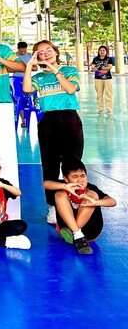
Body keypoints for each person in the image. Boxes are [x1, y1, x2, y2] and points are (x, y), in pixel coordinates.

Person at [22, 40, 82, 225]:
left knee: (73, 164)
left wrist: (55, 70)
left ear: (56, 52)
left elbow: (71, 89)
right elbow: (27, 89)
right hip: (48, 122)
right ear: (37, 57)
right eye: (40, 52)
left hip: (70, 119)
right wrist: (29, 66)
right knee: (50, 166)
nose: (46, 54)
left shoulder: (69, 71)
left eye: (49, 50)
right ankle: (53, 206)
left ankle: (74, 201)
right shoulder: (39, 78)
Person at [43, 158, 116, 255]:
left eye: (83, 176)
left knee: (92, 195)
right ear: (66, 179)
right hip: (66, 228)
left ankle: (75, 233)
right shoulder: (64, 185)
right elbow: (46, 184)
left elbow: (112, 202)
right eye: (75, 176)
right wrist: (64, 187)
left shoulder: (91, 188)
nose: (80, 179)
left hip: (90, 231)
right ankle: (78, 235)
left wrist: (96, 202)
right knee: (59, 194)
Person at [90, 45, 114, 114]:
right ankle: (100, 109)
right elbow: (93, 68)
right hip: (98, 79)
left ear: (106, 52)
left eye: (103, 50)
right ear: (98, 51)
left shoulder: (109, 59)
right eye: (100, 50)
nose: (102, 52)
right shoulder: (95, 59)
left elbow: (109, 67)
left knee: (109, 94)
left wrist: (98, 68)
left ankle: (109, 109)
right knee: (99, 94)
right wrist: (103, 68)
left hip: (108, 79)